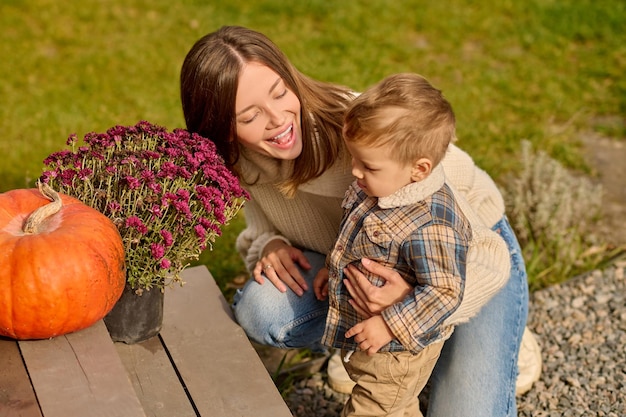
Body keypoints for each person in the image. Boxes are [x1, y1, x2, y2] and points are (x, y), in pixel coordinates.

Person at [179, 25, 541, 417]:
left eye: (281, 93)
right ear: (222, 130)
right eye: (250, 115)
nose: (278, 119)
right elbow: (262, 225)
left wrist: (408, 308)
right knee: (263, 308)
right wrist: (271, 245)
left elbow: (490, 256)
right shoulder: (242, 162)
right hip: (372, 265)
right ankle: (367, 341)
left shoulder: (363, 132)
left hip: (468, 261)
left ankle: (495, 337)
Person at [313, 72, 512, 416]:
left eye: (367, 165)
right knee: (400, 409)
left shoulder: (432, 224)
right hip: (373, 344)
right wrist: (334, 268)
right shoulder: (380, 186)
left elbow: (445, 290)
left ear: (419, 169)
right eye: (354, 159)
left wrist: (389, 324)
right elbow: (355, 237)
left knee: (372, 409)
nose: (355, 172)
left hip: (397, 352)